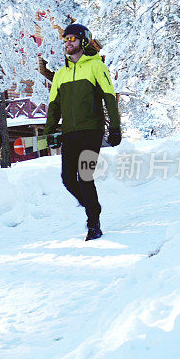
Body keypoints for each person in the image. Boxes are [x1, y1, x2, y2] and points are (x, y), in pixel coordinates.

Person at [43, 23, 122, 241]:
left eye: (72, 39)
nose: (68, 43)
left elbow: (109, 97)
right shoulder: (60, 74)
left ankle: (93, 223)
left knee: (85, 176)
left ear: (83, 41)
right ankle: (93, 207)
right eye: (65, 39)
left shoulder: (96, 67)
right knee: (68, 179)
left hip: (91, 131)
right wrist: (49, 131)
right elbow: (54, 106)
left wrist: (115, 127)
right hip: (69, 133)